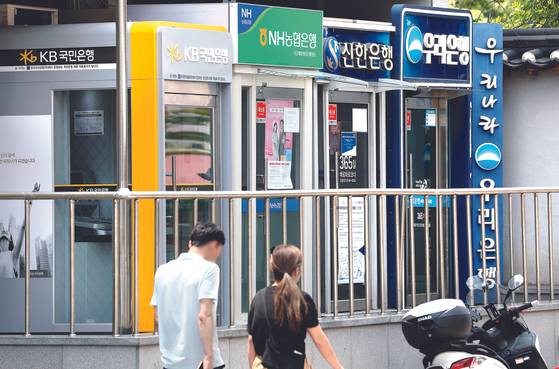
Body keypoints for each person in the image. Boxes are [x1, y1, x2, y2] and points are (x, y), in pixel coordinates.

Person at [247, 244, 345, 369]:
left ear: (273, 268)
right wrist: (338, 367)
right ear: (296, 270)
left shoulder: (258, 299)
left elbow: (251, 341)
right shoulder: (303, 300)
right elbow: (319, 339)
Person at [151, 222, 226, 369]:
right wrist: (209, 357)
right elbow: (204, 315)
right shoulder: (210, 269)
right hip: (200, 362)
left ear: (190, 243)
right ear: (215, 245)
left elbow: (157, 316)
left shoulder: (162, 270)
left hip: (170, 362)